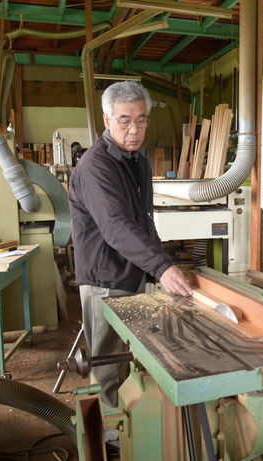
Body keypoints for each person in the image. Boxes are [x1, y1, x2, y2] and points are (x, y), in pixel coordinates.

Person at [68, 81, 193, 408]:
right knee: (109, 361)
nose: (134, 129)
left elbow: (142, 219)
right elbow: (115, 225)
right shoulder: (97, 165)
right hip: (106, 278)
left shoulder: (136, 159)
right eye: (125, 120)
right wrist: (162, 267)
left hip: (130, 271)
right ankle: (113, 432)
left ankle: (134, 421)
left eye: (141, 119)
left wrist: (155, 269)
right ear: (107, 120)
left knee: (129, 353)